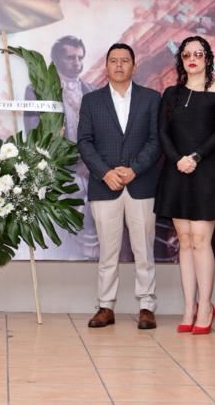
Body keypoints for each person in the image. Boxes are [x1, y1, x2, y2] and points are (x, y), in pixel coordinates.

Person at [77, 43, 161, 330]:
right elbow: (84, 142)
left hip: (141, 184)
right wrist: (105, 172)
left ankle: (147, 306)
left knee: (143, 249)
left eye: (125, 60)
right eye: (113, 60)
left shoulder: (151, 98)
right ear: (107, 66)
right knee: (107, 251)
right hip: (105, 186)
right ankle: (105, 306)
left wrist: (135, 169)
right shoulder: (92, 101)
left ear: (134, 66)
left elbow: (156, 140)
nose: (119, 65)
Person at [156, 36, 215, 335]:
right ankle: (188, 306)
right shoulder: (171, 94)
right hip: (177, 171)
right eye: (187, 54)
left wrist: (196, 157)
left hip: (208, 172)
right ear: (181, 60)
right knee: (184, 242)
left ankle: (205, 305)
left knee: (201, 241)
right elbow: (163, 131)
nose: (192, 58)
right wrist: (178, 159)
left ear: (208, 58)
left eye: (198, 54)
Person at [25, 35, 98, 259]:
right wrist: (69, 164)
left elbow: (102, 132)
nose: (76, 62)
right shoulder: (36, 90)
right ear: (56, 60)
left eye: (79, 57)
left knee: (92, 223)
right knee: (62, 227)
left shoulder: (92, 90)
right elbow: (35, 133)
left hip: (90, 169)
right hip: (57, 169)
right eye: (70, 57)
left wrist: (89, 162)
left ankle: (88, 264)